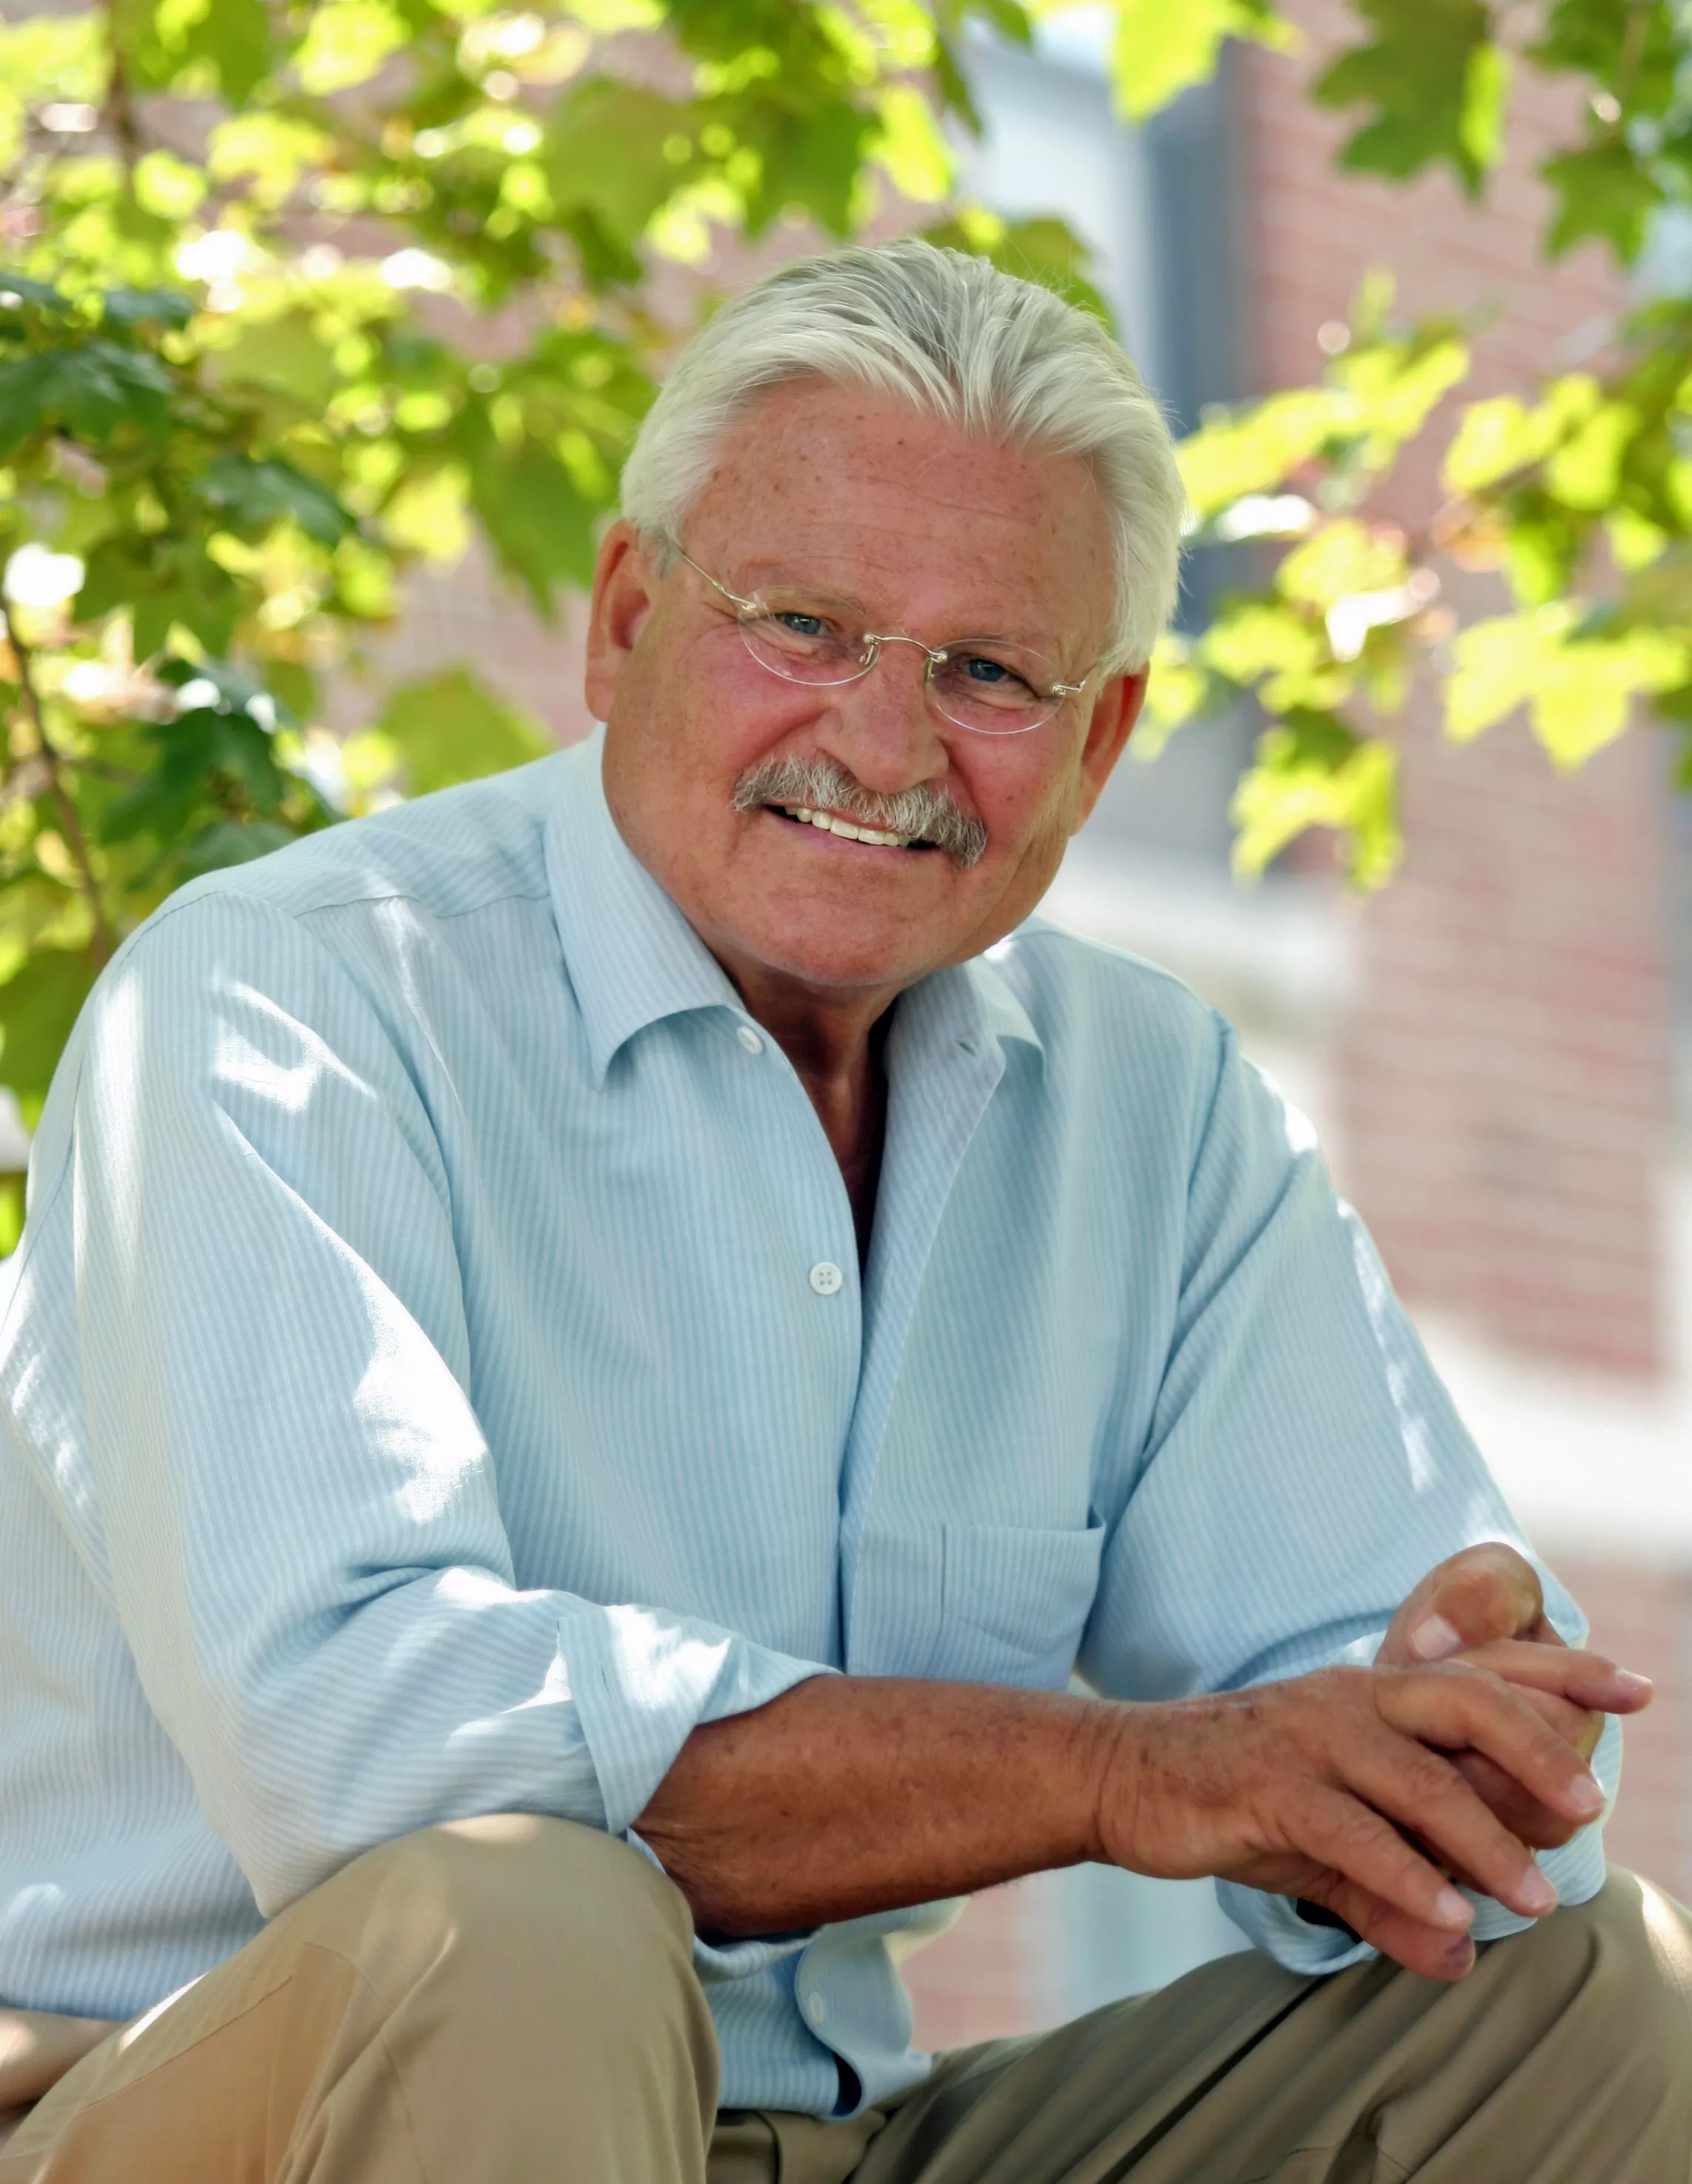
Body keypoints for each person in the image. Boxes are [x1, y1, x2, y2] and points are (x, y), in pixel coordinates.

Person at [0, 240, 1684, 2184]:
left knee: (1586, 2000)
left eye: (986, 671)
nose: (883, 746)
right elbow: (362, 1745)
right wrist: (1125, 1777)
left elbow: (1423, 1766)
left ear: (1099, 740)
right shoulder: (292, 1000)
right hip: (218, 2104)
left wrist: (1464, 1731)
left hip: (834, 2136)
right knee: (522, 1917)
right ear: (625, 617)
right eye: (800, 625)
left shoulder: (1156, 1106)